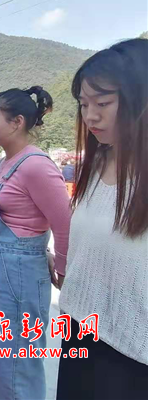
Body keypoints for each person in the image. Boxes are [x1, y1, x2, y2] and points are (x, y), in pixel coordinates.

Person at [57, 38, 148, 400]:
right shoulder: (95, 165)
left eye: (103, 103)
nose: (90, 116)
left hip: (132, 352)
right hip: (79, 330)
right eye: (83, 104)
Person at [0, 86, 72, 400]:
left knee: (18, 360)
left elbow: (64, 223)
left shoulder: (36, 165)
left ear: (17, 122)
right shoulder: (2, 165)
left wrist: (62, 268)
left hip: (20, 276)